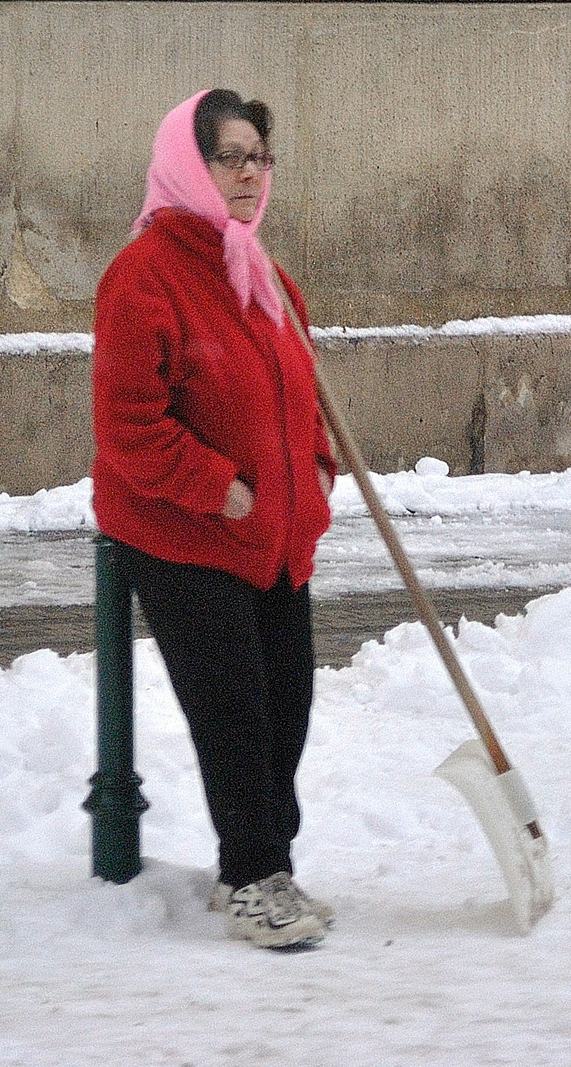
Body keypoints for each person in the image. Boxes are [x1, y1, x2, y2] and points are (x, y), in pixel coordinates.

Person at [92, 89, 336, 950]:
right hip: (185, 532)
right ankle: (252, 878)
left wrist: (317, 469)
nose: (248, 172)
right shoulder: (145, 272)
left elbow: (303, 395)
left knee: (288, 707)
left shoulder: (259, 267)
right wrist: (214, 483)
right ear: (188, 166)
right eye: (229, 156)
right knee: (235, 712)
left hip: (275, 534)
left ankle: (267, 863)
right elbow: (126, 423)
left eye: (259, 156)